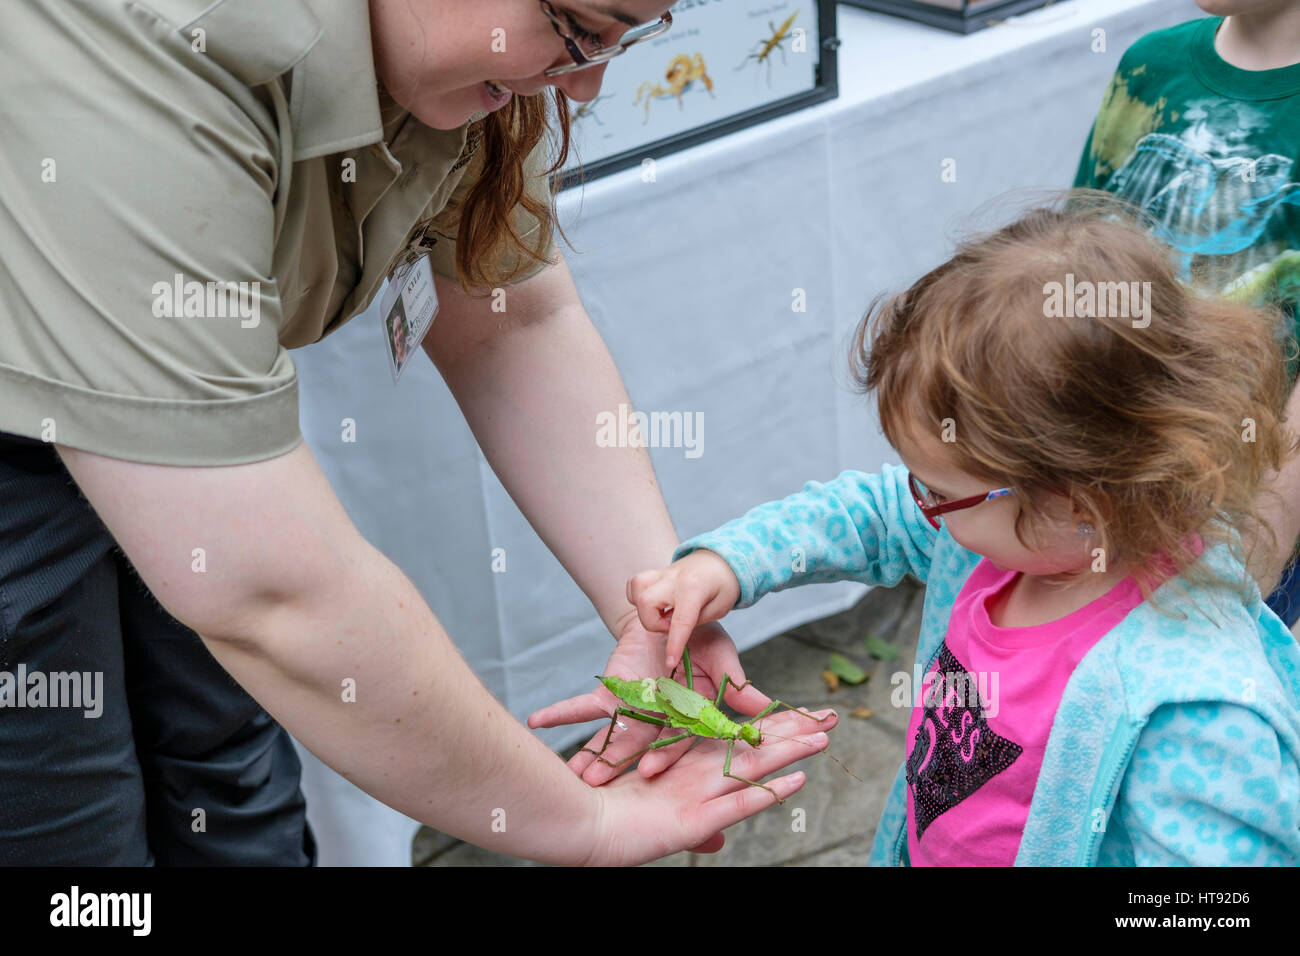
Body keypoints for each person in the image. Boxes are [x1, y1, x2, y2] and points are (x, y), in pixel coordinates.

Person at [0, 0, 832, 866]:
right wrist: (577, 823)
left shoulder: (460, 55)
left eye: (630, 36)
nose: (584, 88)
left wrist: (657, 606)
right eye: (582, 30)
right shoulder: (159, 49)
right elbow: (268, 595)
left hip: (192, 429)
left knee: (229, 769)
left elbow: (509, 317)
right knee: (63, 823)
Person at [625, 197, 1300, 865]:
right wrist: (728, 563)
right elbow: (868, 513)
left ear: (1078, 502)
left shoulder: (1196, 710)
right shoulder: (994, 545)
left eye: (940, 491)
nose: (916, 505)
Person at [1073, 0, 1300, 623]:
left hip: (1246, 501)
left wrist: (1254, 561)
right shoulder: (1151, 66)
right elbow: (1075, 258)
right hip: (1103, 470)